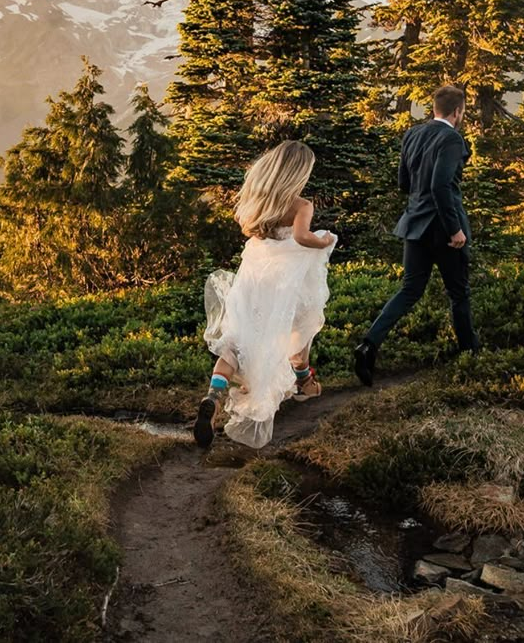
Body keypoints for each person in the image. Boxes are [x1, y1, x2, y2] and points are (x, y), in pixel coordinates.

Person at [193, 140, 337, 450]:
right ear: (298, 174)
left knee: (236, 340)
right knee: (298, 328)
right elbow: (301, 237)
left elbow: (247, 227)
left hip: (253, 276)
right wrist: (322, 241)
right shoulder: (301, 205)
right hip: (283, 282)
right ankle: (304, 382)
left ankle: (214, 396)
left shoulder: (260, 199)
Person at [354, 84, 479, 387]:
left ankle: (368, 344)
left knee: (409, 290)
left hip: (414, 224)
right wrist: (455, 229)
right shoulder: (452, 138)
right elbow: (440, 186)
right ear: (457, 111)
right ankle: (471, 356)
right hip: (444, 229)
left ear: (435, 108)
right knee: (459, 293)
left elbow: (403, 183)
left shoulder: (412, 135)